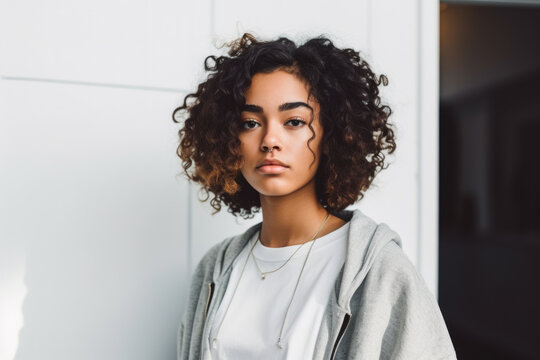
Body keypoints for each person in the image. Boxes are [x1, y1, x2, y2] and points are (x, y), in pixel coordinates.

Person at [173, 33, 456, 360]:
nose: (270, 140)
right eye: (250, 122)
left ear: (331, 134)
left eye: (293, 121)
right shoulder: (216, 268)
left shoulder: (379, 271)